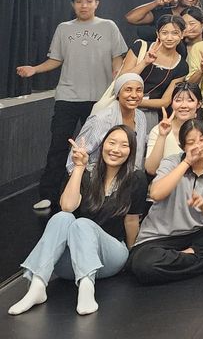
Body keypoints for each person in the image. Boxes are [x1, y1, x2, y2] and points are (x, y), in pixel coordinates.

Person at [8, 125, 147, 316]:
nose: (116, 149)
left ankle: (87, 288)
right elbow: (67, 206)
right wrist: (79, 168)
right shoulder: (88, 174)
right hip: (74, 261)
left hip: (111, 256)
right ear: (102, 144)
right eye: (111, 142)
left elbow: (131, 221)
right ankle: (37, 286)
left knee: (82, 224)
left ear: (131, 151)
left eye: (123, 145)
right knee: (62, 217)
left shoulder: (136, 178)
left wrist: (133, 257)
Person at [17, 0, 128, 211]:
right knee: (58, 146)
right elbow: (56, 59)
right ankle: (49, 194)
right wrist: (34, 69)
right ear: (72, 5)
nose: (84, 5)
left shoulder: (109, 26)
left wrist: (119, 75)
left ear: (97, 3)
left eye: (88, 1)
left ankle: (95, 196)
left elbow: (118, 58)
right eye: (79, 1)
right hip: (68, 96)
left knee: (98, 148)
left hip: (100, 99)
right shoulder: (64, 28)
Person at [128, 119, 203, 284]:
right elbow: (156, 193)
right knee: (144, 265)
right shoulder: (171, 162)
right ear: (182, 147)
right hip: (161, 237)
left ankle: (188, 255)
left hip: (198, 235)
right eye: (191, 142)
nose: (198, 145)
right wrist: (186, 163)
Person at [116, 14, 188, 132]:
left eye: (175, 33)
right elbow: (122, 80)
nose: (169, 38)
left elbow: (165, 101)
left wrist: (136, 101)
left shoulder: (182, 66)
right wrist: (144, 62)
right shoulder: (141, 47)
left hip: (149, 114)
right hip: (121, 107)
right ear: (157, 34)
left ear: (182, 34)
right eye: (164, 33)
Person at [71, 74, 148, 171]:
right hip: (97, 177)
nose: (134, 95)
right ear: (118, 93)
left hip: (130, 177)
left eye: (139, 90)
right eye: (128, 90)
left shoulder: (141, 117)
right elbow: (76, 155)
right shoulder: (101, 119)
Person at [145, 81, 203, 174]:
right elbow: (151, 170)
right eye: (178, 100)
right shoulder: (158, 130)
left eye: (190, 100)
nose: (184, 105)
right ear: (172, 103)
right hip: (167, 184)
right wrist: (162, 136)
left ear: (199, 104)